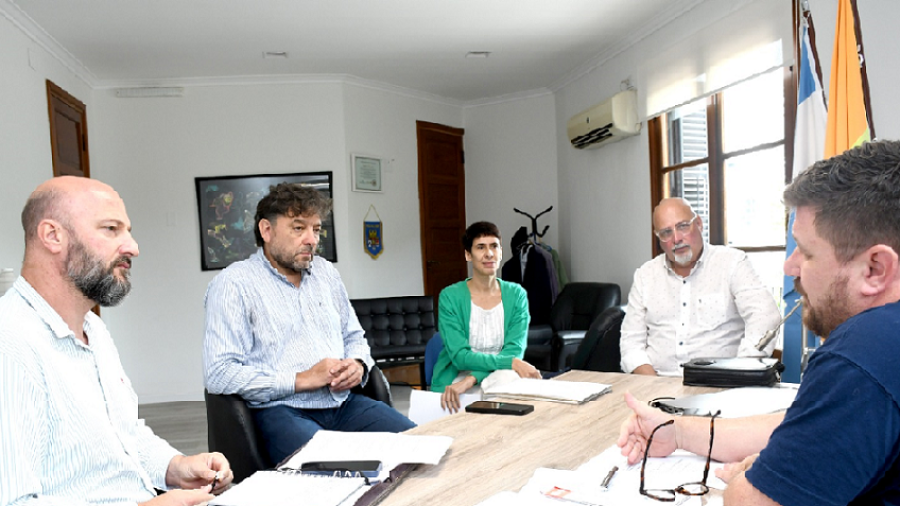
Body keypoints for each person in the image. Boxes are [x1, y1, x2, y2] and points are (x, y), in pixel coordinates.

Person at [617, 140, 900, 505]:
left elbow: (751, 502)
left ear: (875, 268)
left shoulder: (861, 353)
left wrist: (748, 476)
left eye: (807, 252)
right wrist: (677, 433)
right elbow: (798, 424)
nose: (789, 267)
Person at [0, 176, 232, 506]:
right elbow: (13, 501)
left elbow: (125, 436)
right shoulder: (9, 344)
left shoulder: (94, 329)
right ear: (53, 236)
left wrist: (174, 467)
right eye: (111, 229)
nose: (133, 247)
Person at [204, 182, 415, 464]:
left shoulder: (327, 274)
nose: (311, 239)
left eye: (316, 229)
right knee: (342, 469)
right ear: (267, 230)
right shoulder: (233, 285)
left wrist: (358, 364)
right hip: (280, 410)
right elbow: (219, 373)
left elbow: (355, 337)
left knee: (419, 449)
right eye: (298, 228)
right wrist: (300, 380)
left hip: (344, 404)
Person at [619, 197, 781, 376]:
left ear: (699, 224)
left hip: (720, 384)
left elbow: (766, 317)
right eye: (666, 232)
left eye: (682, 226)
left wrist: (740, 371)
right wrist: (652, 384)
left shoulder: (732, 263)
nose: (677, 238)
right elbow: (630, 343)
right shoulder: (645, 275)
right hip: (655, 382)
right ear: (659, 238)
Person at [430, 221, 541, 412]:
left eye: (494, 246)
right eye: (480, 247)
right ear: (468, 255)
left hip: (499, 376)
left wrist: (471, 379)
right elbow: (460, 357)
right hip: (455, 379)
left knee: (508, 383)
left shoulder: (517, 295)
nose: (489, 253)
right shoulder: (450, 296)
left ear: (501, 252)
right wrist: (511, 362)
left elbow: (514, 352)